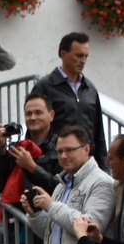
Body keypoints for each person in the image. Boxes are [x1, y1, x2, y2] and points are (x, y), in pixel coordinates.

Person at [34, 33, 106, 168]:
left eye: (86, 56)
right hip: (57, 163)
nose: (83, 60)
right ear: (63, 54)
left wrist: (104, 167)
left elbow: (98, 132)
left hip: (87, 164)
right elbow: (34, 127)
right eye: (79, 55)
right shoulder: (45, 86)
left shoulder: (90, 89)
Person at [0, 92, 59, 200]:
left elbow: (62, 188)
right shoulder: (18, 148)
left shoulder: (62, 148)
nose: (33, 117)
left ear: (51, 115)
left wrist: (33, 168)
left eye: (38, 113)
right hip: (20, 212)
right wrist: (2, 149)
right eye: (28, 114)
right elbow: (0, 186)